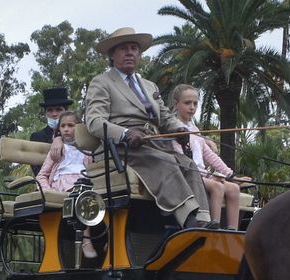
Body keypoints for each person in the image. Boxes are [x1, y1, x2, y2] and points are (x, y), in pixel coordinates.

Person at [83, 27, 211, 231]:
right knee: (166, 161)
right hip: (121, 148)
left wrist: (179, 129)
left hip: (152, 143)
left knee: (187, 163)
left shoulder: (150, 86)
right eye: (123, 48)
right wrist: (125, 134)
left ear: (139, 54)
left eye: (134, 48)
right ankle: (188, 219)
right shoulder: (102, 82)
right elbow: (94, 121)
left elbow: (165, 117)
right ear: (112, 55)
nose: (130, 53)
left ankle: (203, 218)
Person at [168, 84, 249, 230]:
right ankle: (213, 226)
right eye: (187, 103)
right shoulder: (173, 130)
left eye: (195, 103)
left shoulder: (195, 130)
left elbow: (210, 156)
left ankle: (232, 230)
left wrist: (231, 175)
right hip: (189, 176)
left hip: (204, 176)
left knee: (233, 189)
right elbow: (182, 159)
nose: (192, 107)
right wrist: (210, 177)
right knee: (217, 186)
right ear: (176, 104)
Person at [37, 111, 98, 260]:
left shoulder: (88, 151)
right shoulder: (57, 151)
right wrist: (48, 191)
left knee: (98, 193)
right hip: (64, 184)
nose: (66, 129)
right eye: (63, 126)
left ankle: (105, 239)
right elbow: (41, 175)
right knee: (80, 193)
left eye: (70, 125)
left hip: (85, 181)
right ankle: (86, 239)